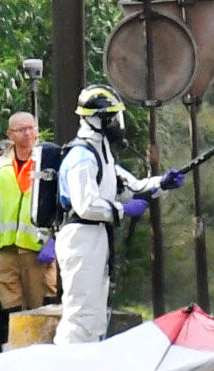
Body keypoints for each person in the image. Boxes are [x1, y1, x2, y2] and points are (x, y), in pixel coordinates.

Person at [53, 85, 180, 345]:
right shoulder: (81, 156)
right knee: (80, 315)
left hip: (98, 236)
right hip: (81, 238)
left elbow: (131, 188)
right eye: (111, 117)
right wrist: (122, 210)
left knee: (96, 316)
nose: (117, 124)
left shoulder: (103, 155)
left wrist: (161, 183)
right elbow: (85, 204)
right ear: (95, 119)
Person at [0, 112, 51, 352]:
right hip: (5, 248)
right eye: (20, 130)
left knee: (39, 305)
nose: (27, 134)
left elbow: (58, 204)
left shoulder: (47, 162)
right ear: (10, 134)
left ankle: (41, 352)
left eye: (31, 128)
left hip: (36, 248)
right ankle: (15, 350)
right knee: (8, 304)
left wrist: (53, 241)